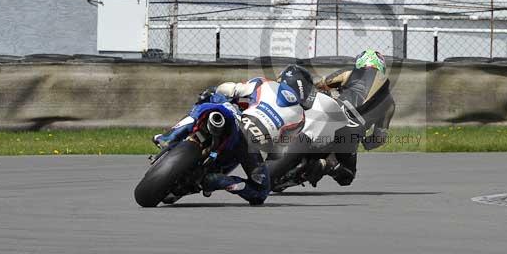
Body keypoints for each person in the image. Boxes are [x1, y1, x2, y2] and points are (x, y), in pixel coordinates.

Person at [153, 65, 314, 205]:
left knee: (208, 100)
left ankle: (169, 137)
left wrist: (217, 92)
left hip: (237, 121)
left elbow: (230, 89)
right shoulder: (301, 119)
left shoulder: (264, 83)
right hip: (254, 149)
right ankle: (220, 181)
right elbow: (279, 152)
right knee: (260, 192)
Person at [307, 49, 396, 186]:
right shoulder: (389, 102)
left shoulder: (349, 73)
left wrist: (321, 92)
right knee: (346, 177)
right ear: (382, 67)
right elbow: (379, 137)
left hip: (333, 115)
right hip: (353, 133)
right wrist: (367, 142)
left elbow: (320, 84)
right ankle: (327, 164)